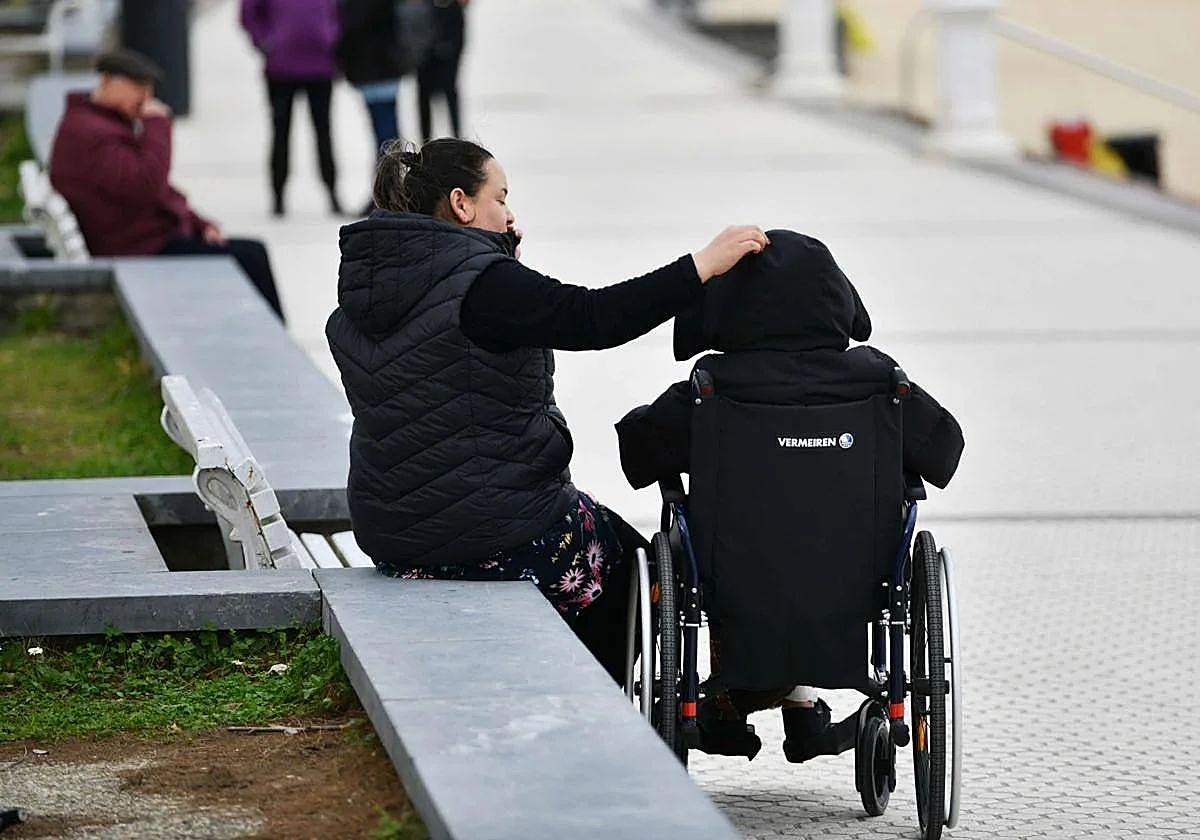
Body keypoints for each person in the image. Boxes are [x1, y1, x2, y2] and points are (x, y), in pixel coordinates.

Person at [325, 137, 768, 683]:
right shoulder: (487, 284)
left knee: (602, 550)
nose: (510, 213)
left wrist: (499, 260)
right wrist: (701, 266)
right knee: (638, 568)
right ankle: (593, 705)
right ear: (462, 204)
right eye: (500, 197)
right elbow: (592, 317)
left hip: (393, 532)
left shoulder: (367, 289)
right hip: (489, 528)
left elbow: (452, 370)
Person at [615, 231, 965, 760]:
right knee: (810, 557)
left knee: (733, 553)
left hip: (735, 586)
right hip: (856, 581)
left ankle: (732, 704)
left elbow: (638, 458)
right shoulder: (879, 383)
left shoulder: (710, 389)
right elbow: (945, 453)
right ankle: (801, 706)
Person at [48, 49, 285, 320]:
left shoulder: (96, 124)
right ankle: (275, 338)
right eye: (137, 86)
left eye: (148, 88)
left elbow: (156, 190)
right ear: (105, 80)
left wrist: (198, 223)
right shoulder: (93, 133)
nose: (146, 97)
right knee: (250, 257)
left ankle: (271, 334)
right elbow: (146, 184)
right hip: (138, 250)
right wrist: (158, 125)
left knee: (249, 252)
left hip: (141, 240)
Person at [240, 0, 342, 217]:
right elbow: (248, 12)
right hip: (281, 67)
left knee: (323, 132)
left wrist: (333, 36)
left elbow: (345, 9)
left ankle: (332, 192)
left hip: (320, 65)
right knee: (281, 133)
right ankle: (278, 196)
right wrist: (265, 41)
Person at [416, 0, 467, 142]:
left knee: (449, 94)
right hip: (426, 59)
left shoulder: (453, 9)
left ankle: (457, 138)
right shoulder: (426, 7)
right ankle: (426, 140)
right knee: (425, 99)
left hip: (447, 58)